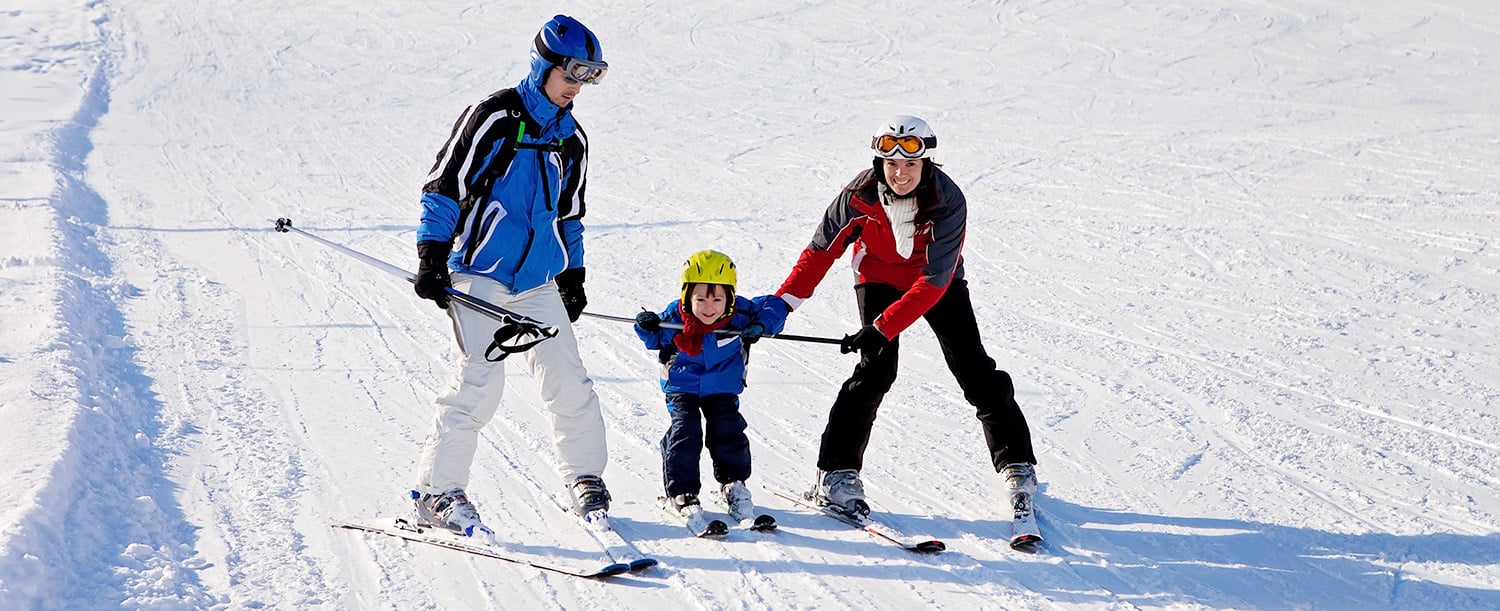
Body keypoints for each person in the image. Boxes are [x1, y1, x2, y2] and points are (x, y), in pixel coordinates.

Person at [408, 15, 613, 536]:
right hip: (482, 273)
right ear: (544, 66)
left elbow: (569, 215)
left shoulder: (573, 139)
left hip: (538, 279)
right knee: (478, 381)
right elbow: (444, 187)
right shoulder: (494, 117)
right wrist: (432, 256)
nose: (577, 89)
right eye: (572, 76)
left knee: (569, 380)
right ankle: (437, 493)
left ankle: (584, 479)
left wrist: (574, 275)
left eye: (588, 79)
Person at [774, 115, 1040, 517]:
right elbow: (820, 252)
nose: (900, 173)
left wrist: (880, 328)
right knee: (876, 372)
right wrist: (782, 306)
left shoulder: (948, 201)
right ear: (879, 162)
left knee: (973, 368)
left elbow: (934, 282)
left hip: (936, 279)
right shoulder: (856, 196)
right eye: (891, 164)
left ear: (926, 164)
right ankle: (837, 474)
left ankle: (1016, 463)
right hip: (877, 276)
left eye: (910, 164)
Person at [633, 250, 788, 519]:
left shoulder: (741, 313)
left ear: (729, 297)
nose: (709, 307)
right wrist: (646, 326)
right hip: (683, 386)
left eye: (717, 299)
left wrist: (761, 324)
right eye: (700, 298)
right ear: (686, 296)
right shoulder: (675, 316)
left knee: (728, 429)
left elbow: (775, 307)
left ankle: (733, 484)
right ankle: (682, 491)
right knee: (686, 430)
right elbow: (654, 339)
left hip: (723, 386)